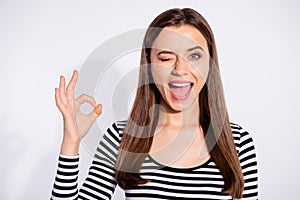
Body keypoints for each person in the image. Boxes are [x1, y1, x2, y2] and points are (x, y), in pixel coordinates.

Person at [51, 8, 258, 200]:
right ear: (149, 64)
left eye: (194, 56)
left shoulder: (238, 143)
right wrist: (71, 142)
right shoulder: (122, 137)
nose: (180, 68)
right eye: (166, 57)